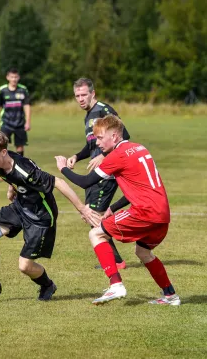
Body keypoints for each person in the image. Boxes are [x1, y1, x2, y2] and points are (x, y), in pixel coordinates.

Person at [55, 115, 181, 305]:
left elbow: (85, 182)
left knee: (96, 234)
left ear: (114, 136)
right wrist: (112, 208)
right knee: (143, 253)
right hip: (162, 213)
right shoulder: (139, 148)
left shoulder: (117, 155)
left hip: (145, 211)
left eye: (100, 138)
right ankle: (171, 296)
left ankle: (116, 285)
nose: (97, 143)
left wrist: (63, 168)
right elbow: (140, 187)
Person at [0, 131, 101, 301]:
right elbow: (12, 176)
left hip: (40, 217)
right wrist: (11, 188)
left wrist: (82, 209)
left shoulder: (26, 171)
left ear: (3, 152)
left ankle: (47, 285)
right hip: (21, 206)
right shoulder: (0, 163)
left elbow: (59, 182)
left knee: (25, 266)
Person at [66, 77, 129, 269]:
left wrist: (104, 156)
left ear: (93, 93)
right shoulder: (88, 115)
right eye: (77, 96)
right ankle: (116, 259)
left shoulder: (104, 110)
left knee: (93, 214)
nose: (80, 99)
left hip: (107, 173)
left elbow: (123, 136)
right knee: (93, 215)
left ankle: (116, 261)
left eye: (84, 94)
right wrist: (77, 156)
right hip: (97, 173)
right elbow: (90, 145)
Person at [0, 68, 31, 156]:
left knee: (20, 147)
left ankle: (20, 165)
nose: (14, 79)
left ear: (19, 77)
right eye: (12, 77)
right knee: (2, 144)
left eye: (16, 77)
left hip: (20, 123)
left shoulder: (23, 90)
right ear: (7, 77)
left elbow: (27, 105)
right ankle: (4, 166)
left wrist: (28, 122)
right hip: (6, 123)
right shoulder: (3, 90)